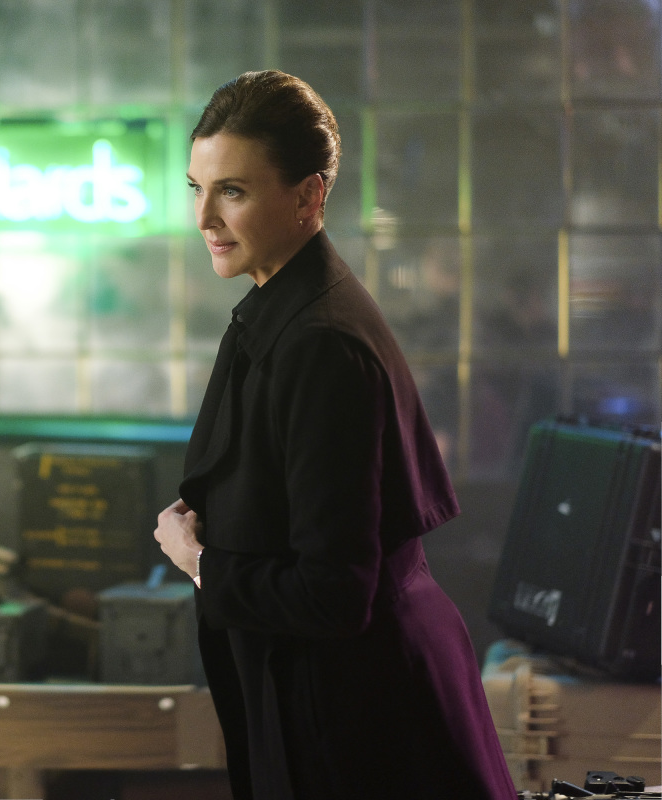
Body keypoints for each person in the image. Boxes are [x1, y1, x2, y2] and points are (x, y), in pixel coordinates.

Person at [153, 71, 516, 800]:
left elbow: (334, 592)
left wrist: (199, 562)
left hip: (364, 721)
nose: (205, 218)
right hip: (341, 698)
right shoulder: (280, 309)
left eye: (232, 191)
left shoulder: (320, 342)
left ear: (309, 197)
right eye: (197, 188)